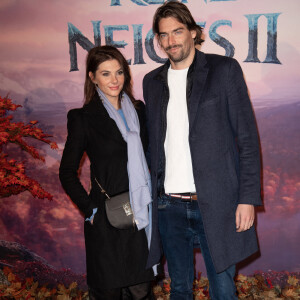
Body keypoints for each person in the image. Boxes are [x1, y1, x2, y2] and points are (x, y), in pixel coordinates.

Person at [143, 1, 262, 299]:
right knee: (180, 289)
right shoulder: (151, 82)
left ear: (194, 32)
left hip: (216, 203)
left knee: (222, 290)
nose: (171, 41)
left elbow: (247, 139)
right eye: (164, 35)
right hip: (168, 207)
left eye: (178, 31)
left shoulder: (224, 71)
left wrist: (247, 199)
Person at [59, 46, 155, 300]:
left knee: (141, 291)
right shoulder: (83, 118)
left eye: (119, 72)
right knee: (108, 292)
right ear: (92, 77)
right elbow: (67, 172)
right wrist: (90, 210)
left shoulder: (139, 111)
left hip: (139, 216)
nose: (114, 80)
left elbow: (151, 157)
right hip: (105, 220)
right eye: (105, 74)